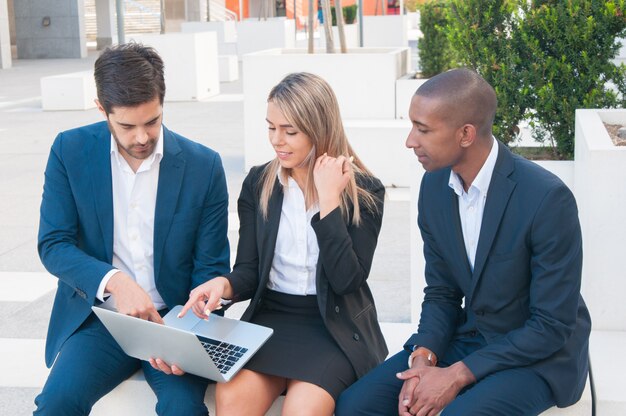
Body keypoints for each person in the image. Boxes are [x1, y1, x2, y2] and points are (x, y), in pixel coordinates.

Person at [336, 68, 591, 416]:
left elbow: (551, 326)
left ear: (466, 134)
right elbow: (442, 291)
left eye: (423, 129)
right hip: (470, 337)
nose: (410, 141)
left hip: (538, 355)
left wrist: (456, 375)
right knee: (356, 406)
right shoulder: (434, 187)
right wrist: (424, 358)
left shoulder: (547, 198)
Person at [174, 72, 388, 415]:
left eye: (290, 131)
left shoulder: (365, 192)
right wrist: (223, 285)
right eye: (271, 127)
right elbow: (249, 270)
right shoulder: (259, 182)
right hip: (271, 320)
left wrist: (329, 202)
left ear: (319, 129)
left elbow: (347, 280)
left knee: (302, 411)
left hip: (332, 326)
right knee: (230, 400)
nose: (277, 140)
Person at [34, 42, 230, 415]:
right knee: (56, 404)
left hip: (176, 325)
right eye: (126, 125)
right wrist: (115, 282)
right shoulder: (69, 150)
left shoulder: (204, 166)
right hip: (101, 321)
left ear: (162, 104)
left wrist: (194, 333)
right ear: (101, 109)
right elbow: (53, 244)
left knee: (184, 410)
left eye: (152, 121)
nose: (141, 137)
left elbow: (212, 268)